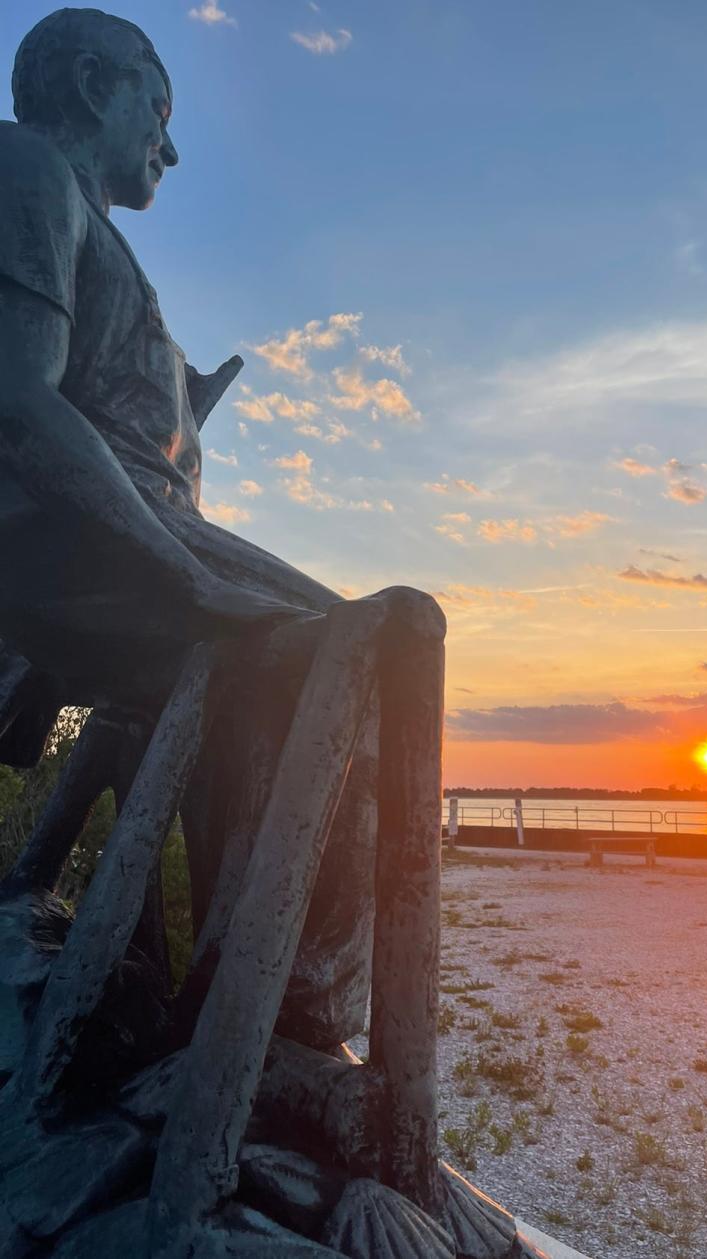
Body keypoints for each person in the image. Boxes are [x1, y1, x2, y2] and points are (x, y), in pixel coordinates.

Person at [0, 9, 373, 1046]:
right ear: (87, 84)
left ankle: (247, 993)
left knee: (294, 656)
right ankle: (286, 1012)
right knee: (355, 650)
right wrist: (181, 572)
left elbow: (95, 396)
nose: (170, 145)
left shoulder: (84, 219)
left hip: (116, 521)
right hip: (63, 540)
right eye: (157, 111)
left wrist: (177, 413)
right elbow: (20, 402)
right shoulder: (26, 168)